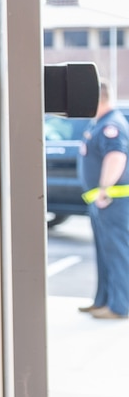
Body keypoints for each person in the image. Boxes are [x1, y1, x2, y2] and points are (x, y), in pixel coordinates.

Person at [82, 82, 129, 318]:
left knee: (117, 253)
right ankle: (103, 300)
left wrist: (104, 190)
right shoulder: (101, 123)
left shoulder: (111, 125)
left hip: (112, 201)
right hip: (104, 201)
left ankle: (120, 306)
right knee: (105, 254)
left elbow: (116, 156)